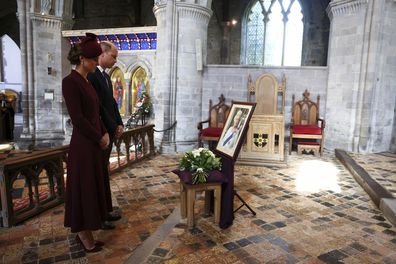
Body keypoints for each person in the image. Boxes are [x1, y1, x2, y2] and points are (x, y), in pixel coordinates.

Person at [62, 33, 110, 252]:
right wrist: (99, 136)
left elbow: (95, 113)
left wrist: (104, 132)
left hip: (92, 144)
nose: (95, 62)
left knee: (91, 189)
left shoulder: (87, 81)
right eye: (93, 59)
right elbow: (78, 119)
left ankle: (86, 234)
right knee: (83, 190)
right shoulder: (70, 82)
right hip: (83, 145)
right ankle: (83, 236)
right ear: (82, 59)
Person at [87, 41, 123, 230]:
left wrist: (119, 123)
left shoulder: (106, 78)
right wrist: (110, 126)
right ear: (102, 54)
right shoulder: (92, 76)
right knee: (98, 174)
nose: (115, 61)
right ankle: (100, 215)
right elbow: (98, 107)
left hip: (109, 129)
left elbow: (112, 104)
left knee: (103, 173)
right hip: (101, 131)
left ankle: (106, 210)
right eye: (114, 56)